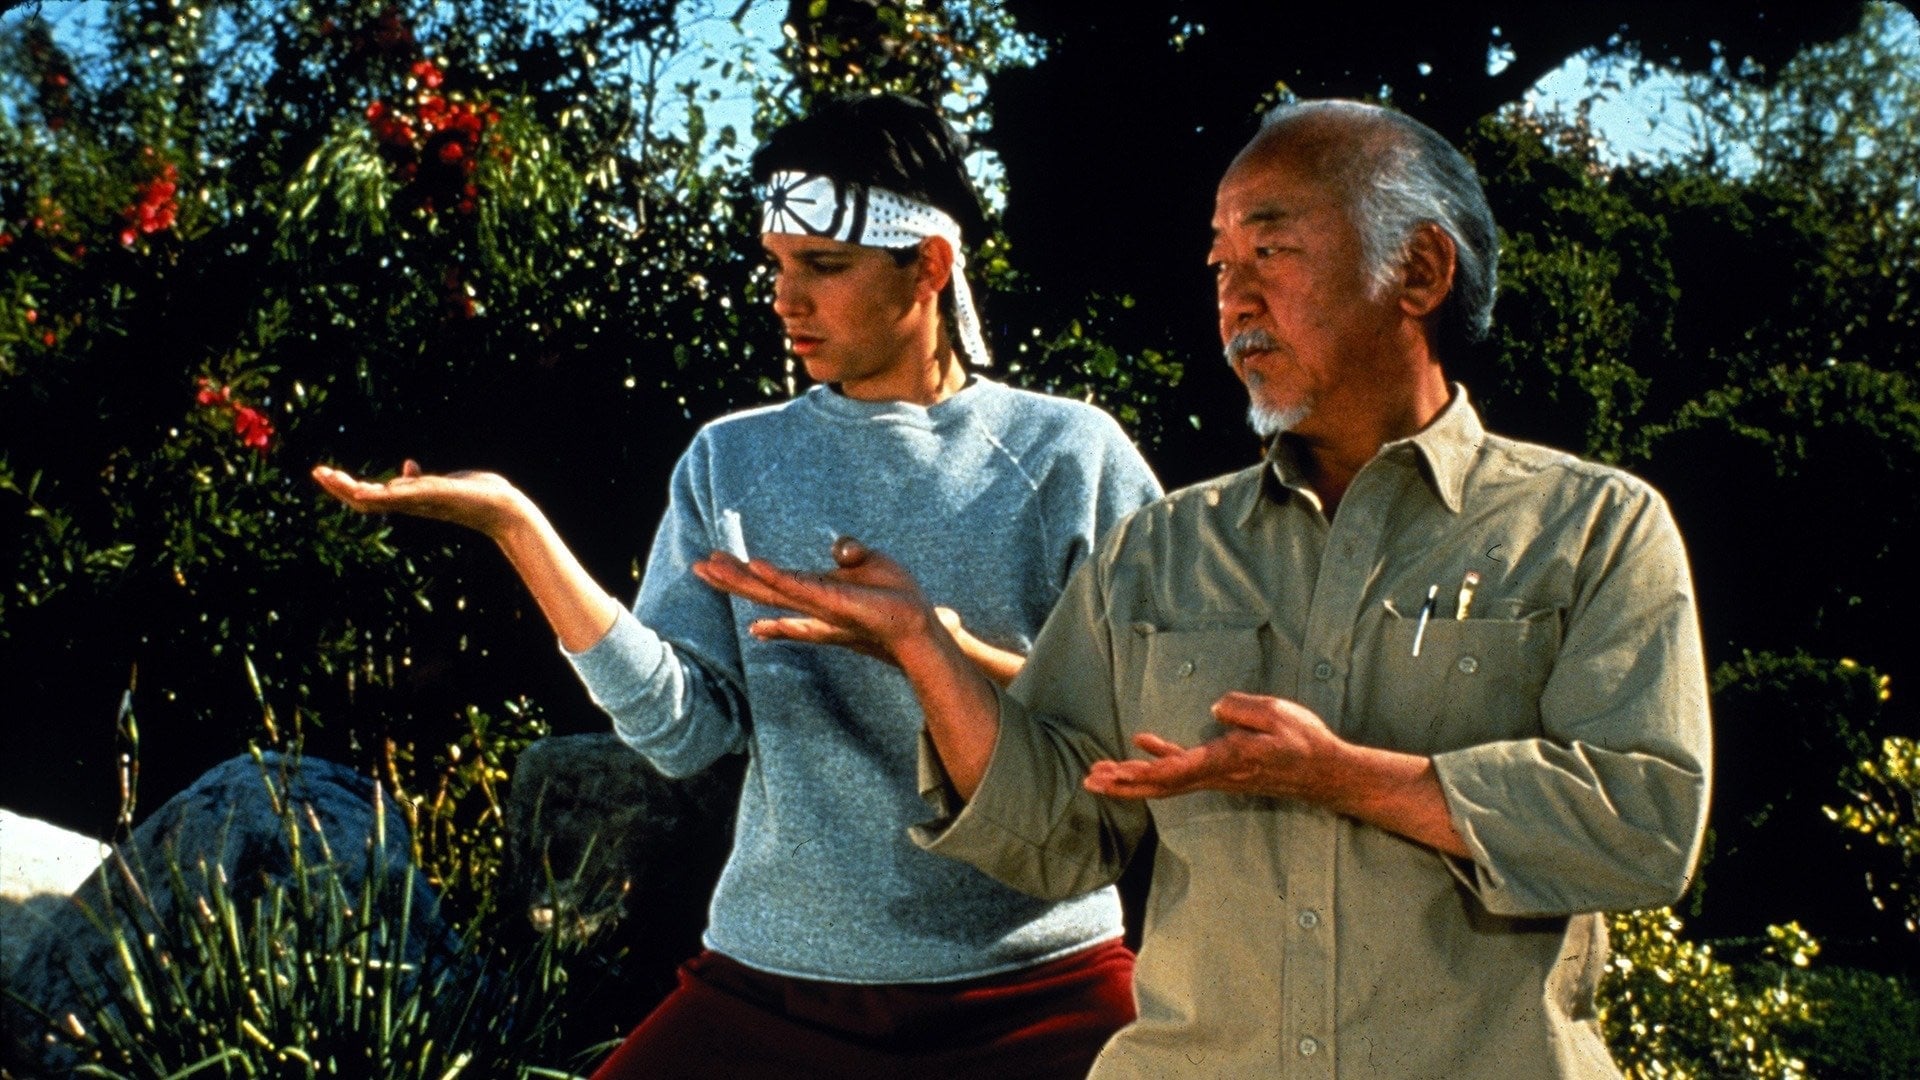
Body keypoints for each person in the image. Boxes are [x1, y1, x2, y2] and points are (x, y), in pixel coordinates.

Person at [692, 99, 1712, 1078]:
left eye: (1272, 251)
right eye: (1222, 264)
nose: (1235, 299)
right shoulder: (1156, 551)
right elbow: (1059, 835)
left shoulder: (1595, 529)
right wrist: (924, 647)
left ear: (1420, 270)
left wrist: (1346, 776)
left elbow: (1646, 823)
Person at [313, 93, 1162, 1078]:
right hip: (778, 986)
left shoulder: (1069, 454)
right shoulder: (733, 460)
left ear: (929, 264)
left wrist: (937, 648)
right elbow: (684, 734)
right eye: (777, 264)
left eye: (823, 266)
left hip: (1041, 986)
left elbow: (1149, 712)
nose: (786, 299)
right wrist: (517, 528)